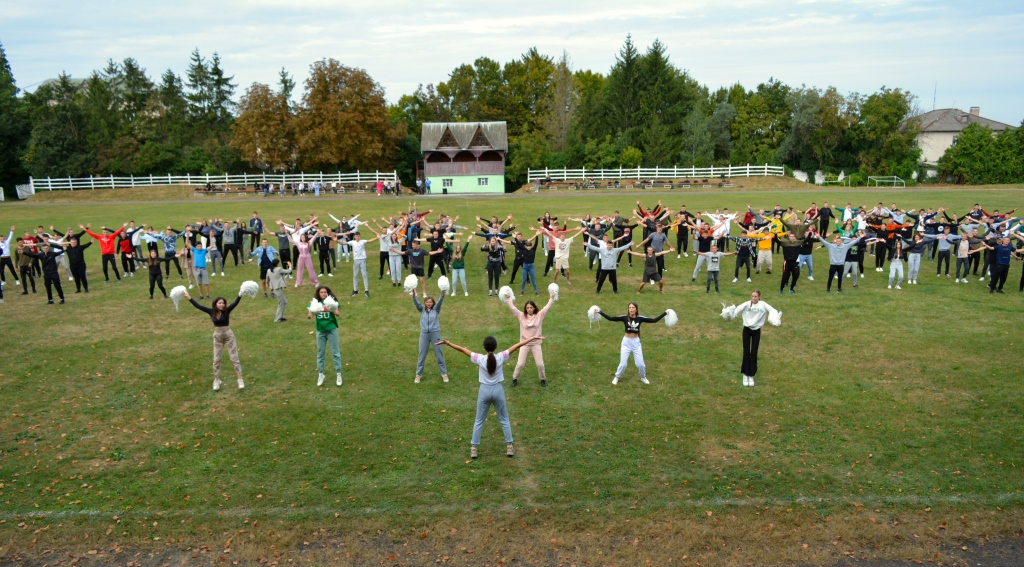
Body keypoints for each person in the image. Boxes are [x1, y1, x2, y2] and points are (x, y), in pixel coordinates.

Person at [436, 335, 542, 458]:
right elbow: (517, 346)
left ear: (484, 348)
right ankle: (509, 447)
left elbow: (462, 350)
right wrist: (532, 338)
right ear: (495, 347)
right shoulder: (500, 357)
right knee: (504, 419)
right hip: (498, 390)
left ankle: (474, 449)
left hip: (484, 391)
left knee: (479, 421)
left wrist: (448, 343)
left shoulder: (480, 359)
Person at [184, 290, 245, 391]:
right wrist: (189, 297)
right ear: (215, 304)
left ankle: (240, 379)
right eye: (219, 303)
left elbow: (235, 303)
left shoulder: (227, 311)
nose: (222, 305)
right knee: (216, 360)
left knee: (234, 358)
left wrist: (240, 294)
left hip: (229, 336)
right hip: (217, 338)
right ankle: (216, 380)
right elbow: (198, 306)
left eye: (223, 303)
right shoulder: (211, 311)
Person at [597, 302, 668, 385]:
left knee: (640, 364)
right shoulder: (624, 318)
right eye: (630, 307)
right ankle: (617, 377)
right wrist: (599, 312)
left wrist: (665, 313)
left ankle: (643, 377)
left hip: (636, 344)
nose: (631, 309)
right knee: (623, 364)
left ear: (636, 309)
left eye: (633, 307)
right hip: (626, 343)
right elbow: (611, 318)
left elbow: (653, 320)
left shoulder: (640, 318)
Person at [725, 290, 780, 387]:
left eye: (756, 296)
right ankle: (745, 375)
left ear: (759, 297)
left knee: (754, 353)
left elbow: (772, 310)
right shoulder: (746, 304)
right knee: (746, 353)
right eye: (752, 296)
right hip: (746, 330)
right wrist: (729, 313)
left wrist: (774, 318)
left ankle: (751, 375)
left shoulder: (763, 305)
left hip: (756, 331)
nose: (754, 298)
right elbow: (737, 310)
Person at [505, 292, 555, 387]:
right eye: (527, 308)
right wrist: (508, 299)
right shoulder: (521, 316)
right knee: (520, 364)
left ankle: (543, 379)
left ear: (534, 308)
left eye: (531, 307)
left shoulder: (540, 315)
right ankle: (514, 378)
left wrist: (552, 298)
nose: (529, 309)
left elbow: (547, 307)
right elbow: (513, 308)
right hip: (524, 344)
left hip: (536, 343)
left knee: (540, 364)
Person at [309, 285, 343, 386]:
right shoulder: (315, 303)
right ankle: (321, 374)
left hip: (331, 330)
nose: (323, 294)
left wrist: (334, 309)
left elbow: (337, 313)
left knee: (335, 352)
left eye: (325, 292)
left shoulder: (331, 302)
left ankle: (338, 374)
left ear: (327, 293)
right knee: (320, 353)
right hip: (320, 331)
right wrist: (311, 313)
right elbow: (309, 314)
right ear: (318, 293)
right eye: (321, 292)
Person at [412, 290, 448, 383]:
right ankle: (418, 375)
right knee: (422, 355)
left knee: (439, 354)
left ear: (433, 303)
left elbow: (440, 302)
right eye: (427, 302)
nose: (429, 303)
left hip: (435, 334)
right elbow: (417, 303)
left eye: (430, 302)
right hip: (424, 334)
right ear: (425, 303)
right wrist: (413, 295)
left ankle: (444, 374)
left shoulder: (436, 309)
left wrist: (442, 295)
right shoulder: (422, 309)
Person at [340, 227, 381, 298]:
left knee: (364, 275)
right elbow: (343, 243)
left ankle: (366, 290)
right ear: (354, 237)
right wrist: (336, 241)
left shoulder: (362, 241)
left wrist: (377, 238)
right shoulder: (352, 242)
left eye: (358, 236)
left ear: (360, 236)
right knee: (355, 275)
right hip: (356, 260)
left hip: (362, 260)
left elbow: (370, 240)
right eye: (356, 236)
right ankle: (355, 290)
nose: (357, 237)